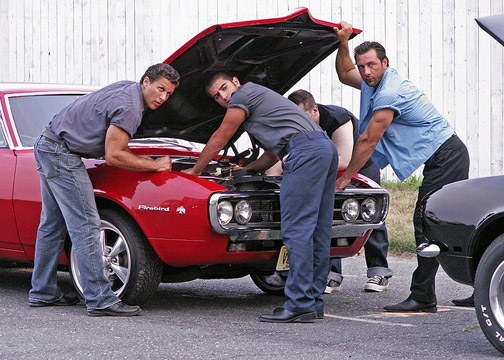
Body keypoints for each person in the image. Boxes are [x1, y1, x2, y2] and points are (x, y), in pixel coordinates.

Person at [333, 22, 470, 312]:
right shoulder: (374, 82)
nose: (366, 71)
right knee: (455, 226)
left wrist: (346, 178)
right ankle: (482, 284)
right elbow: (345, 74)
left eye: (372, 65)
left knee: (426, 223)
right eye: (363, 66)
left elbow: (369, 139)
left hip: (447, 156)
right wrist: (342, 42)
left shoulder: (388, 93)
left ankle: (423, 296)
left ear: (385, 63)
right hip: (444, 156)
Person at [181, 72, 338, 323]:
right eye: (217, 96)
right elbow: (274, 154)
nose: (223, 96)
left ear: (235, 81)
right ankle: (312, 301)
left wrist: (197, 169)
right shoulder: (261, 99)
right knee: (318, 229)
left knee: (297, 230)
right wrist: (250, 169)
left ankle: (299, 304)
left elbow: (220, 137)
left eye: (224, 88)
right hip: (323, 148)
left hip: (305, 153)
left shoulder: (243, 96)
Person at [28, 63, 180, 316]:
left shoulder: (126, 88)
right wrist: (153, 165)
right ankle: (100, 299)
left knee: (52, 225)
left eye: (169, 93)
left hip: (47, 144)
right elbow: (114, 156)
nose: (163, 97)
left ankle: (42, 292)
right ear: (146, 82)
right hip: (62, 154)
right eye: (160, 89)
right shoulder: (131, 107)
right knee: (86, 225)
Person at [286, 89, 392, 294]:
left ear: (315, 110)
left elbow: (343, 159)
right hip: (326, 168)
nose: (300, 124)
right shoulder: (297, 124)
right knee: (329, 217)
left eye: (302, 117)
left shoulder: (337, 118)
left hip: (360, 165)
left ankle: (379, 272)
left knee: (371, 214)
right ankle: (331, 275)